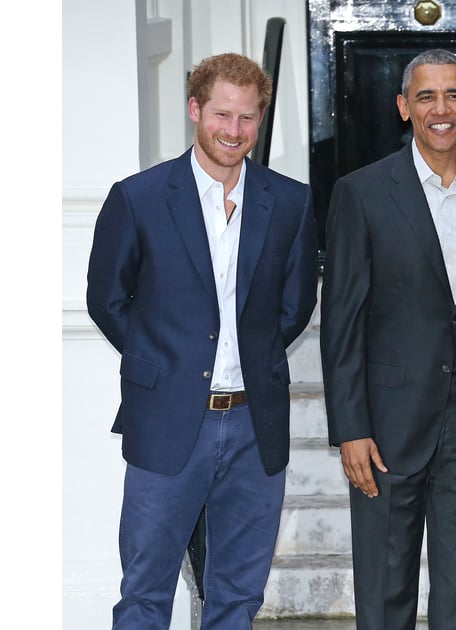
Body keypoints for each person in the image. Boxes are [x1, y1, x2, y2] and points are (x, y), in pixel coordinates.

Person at [86, 52, 318, 628]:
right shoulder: (137, 197)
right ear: (195, 110)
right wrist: (163, 362)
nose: (233, 131)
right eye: (222, 115)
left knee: (238, 596)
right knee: (145, 591)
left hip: (253, 424)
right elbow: (107, 300)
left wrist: (254, 357)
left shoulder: (289, 201)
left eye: (247, 118)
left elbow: (295, 304)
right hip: (166, 419)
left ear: (259, 120)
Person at [320, 49, 456, 629]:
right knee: (386, 592)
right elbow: (341, 321)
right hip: (387, 421)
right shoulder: (361, 192)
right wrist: (350, 429)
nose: (441, 109)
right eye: (427, 96)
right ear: (403, 107)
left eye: (454, 95)